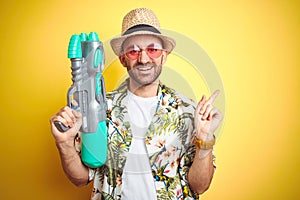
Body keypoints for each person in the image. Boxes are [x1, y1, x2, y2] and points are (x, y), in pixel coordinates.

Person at [50, 8, 223, 200]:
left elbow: (199, 186)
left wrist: (204, 141)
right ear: (123, 59)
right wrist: (64, 143)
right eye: (133, 51)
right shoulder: (99, 108)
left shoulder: (188, 110)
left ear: (164, 56)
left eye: (153, 49)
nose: (143, 58)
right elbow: (81, 179)